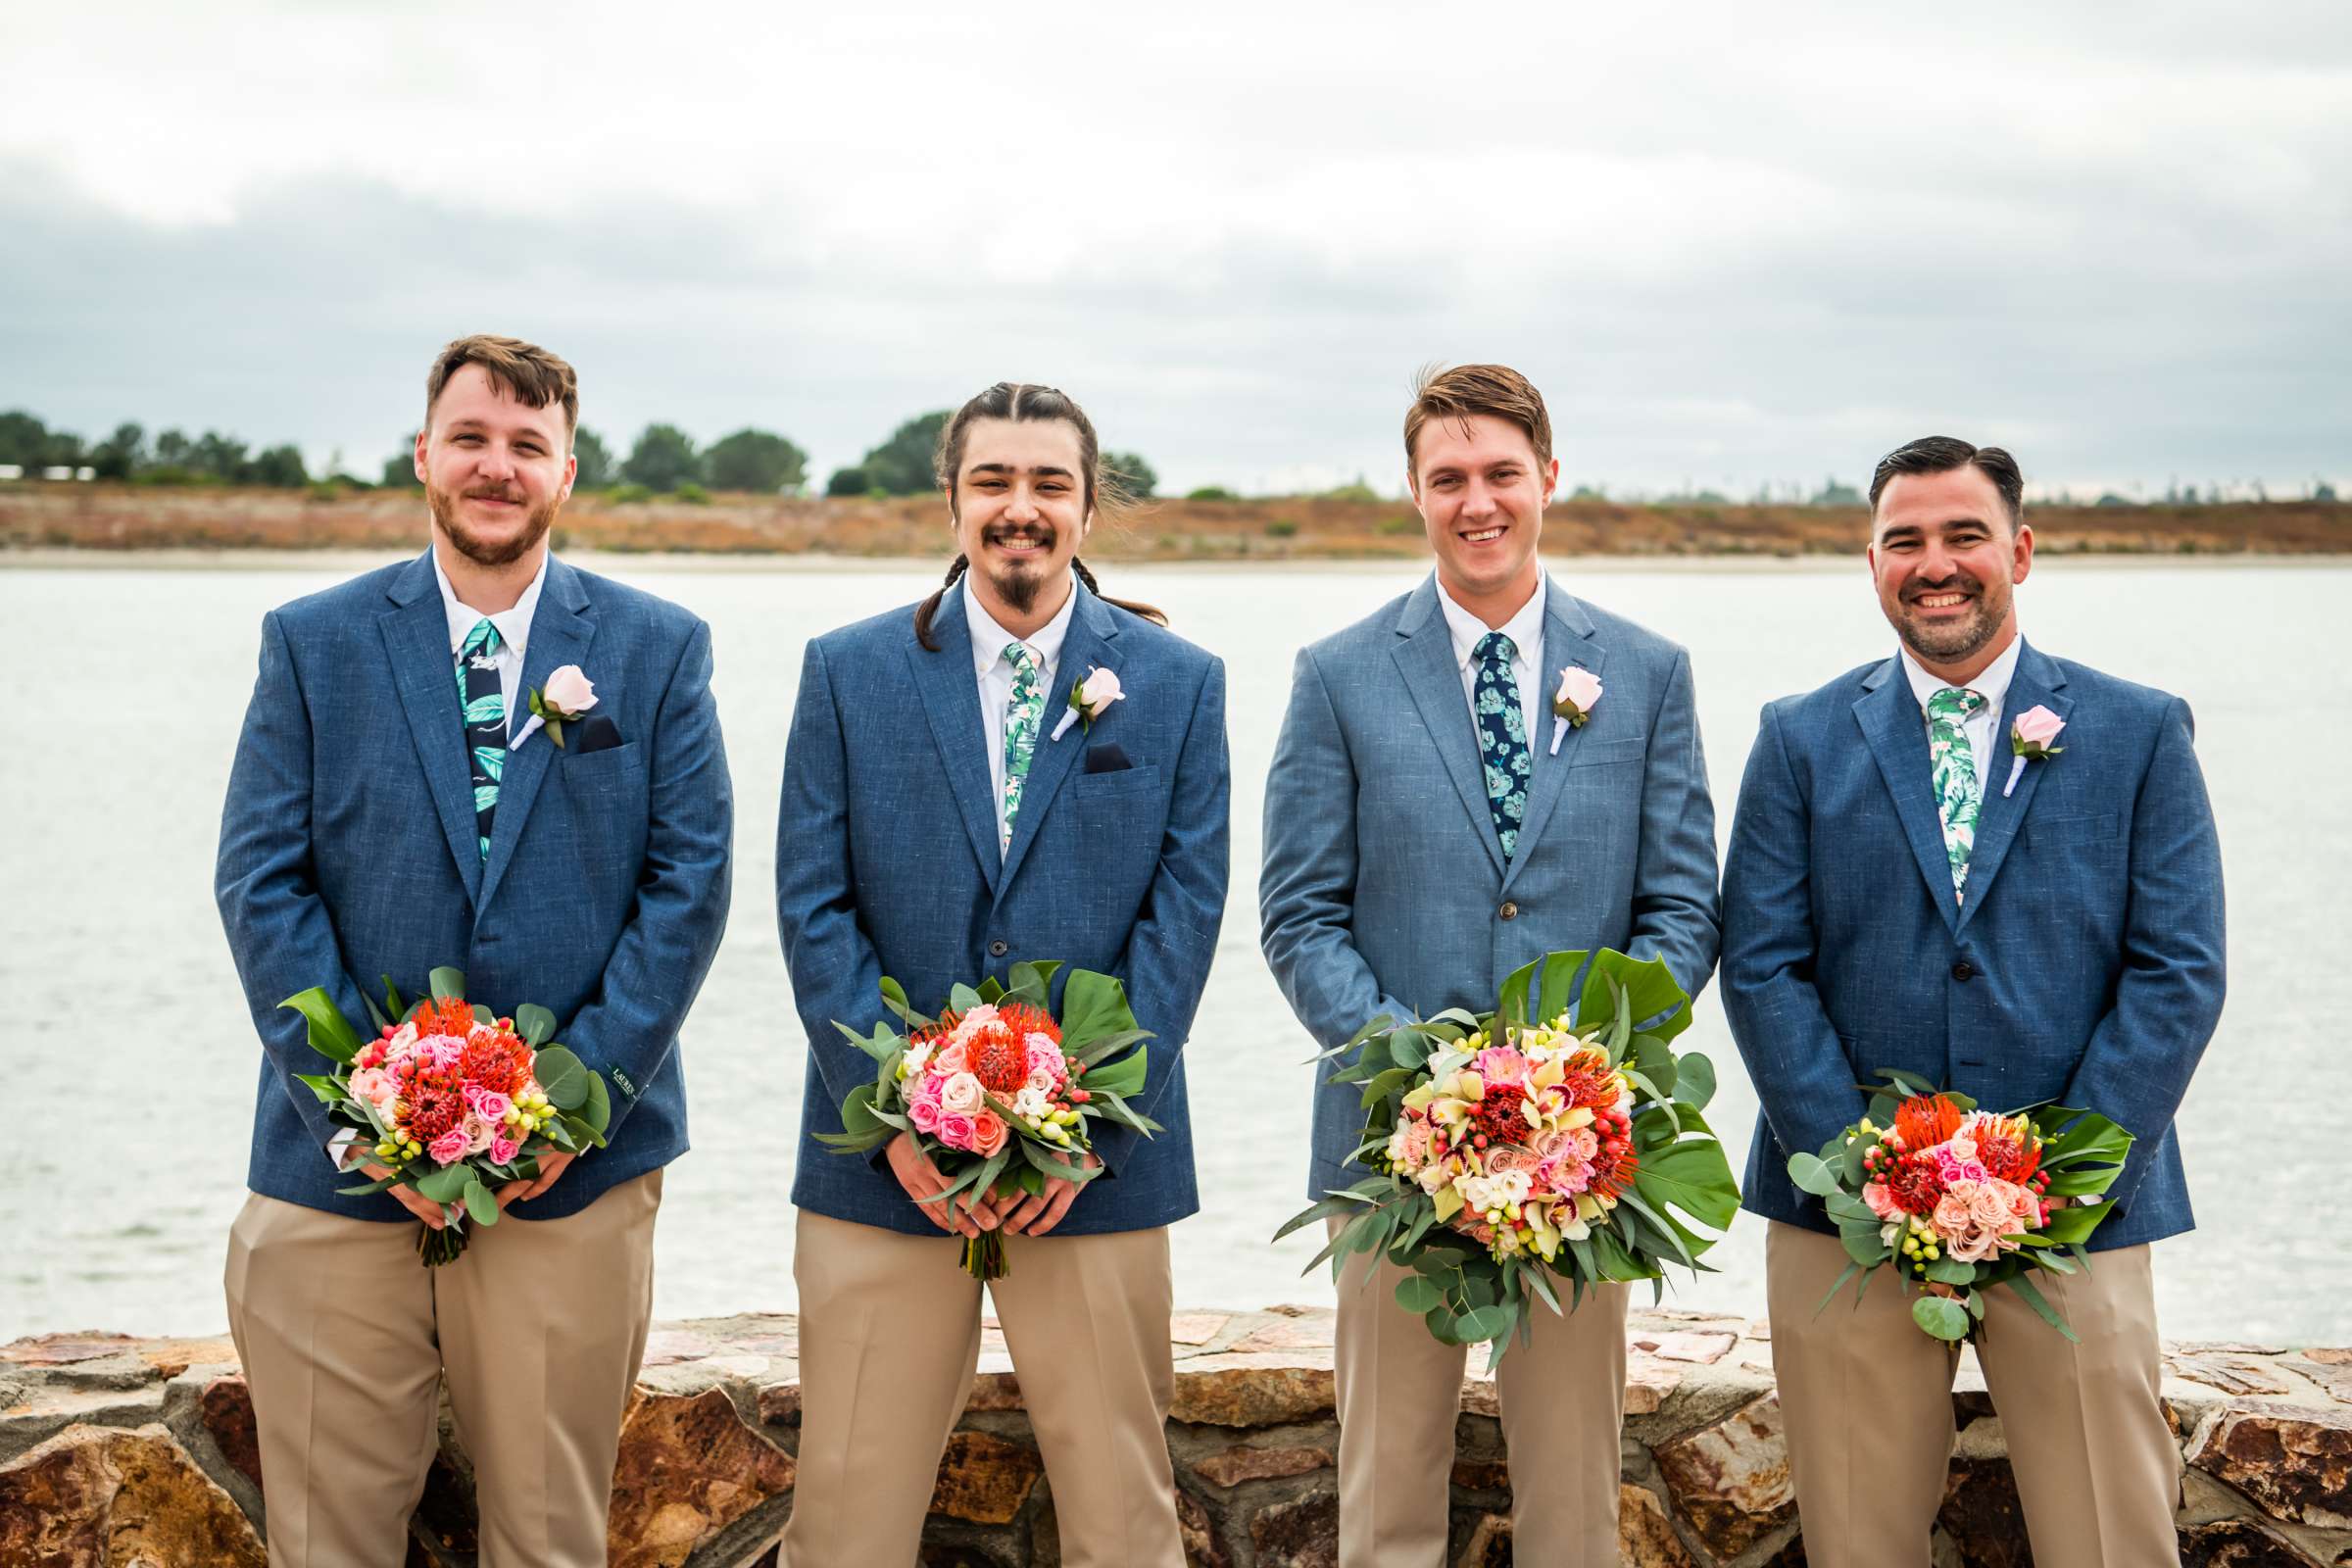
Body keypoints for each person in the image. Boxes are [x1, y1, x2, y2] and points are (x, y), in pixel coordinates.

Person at [216, 333, 733, 1568]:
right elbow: (261, 878)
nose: (495, 467)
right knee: (326, 1541)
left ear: (566, 471)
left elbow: (689, 886)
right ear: (424, 456)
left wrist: (564, 1106)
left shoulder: (659, 649)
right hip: (337, 1172)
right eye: (471, 439)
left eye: (525, 446)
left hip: (575, 1181)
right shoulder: (314, 641)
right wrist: (365, 1109)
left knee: (549, 1539)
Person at [1721, 435, 2225, 1567]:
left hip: (2077, 1215)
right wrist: (1867, 1173)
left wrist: (2062, 1168)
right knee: (1855, 1538)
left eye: (1963, 536)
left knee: (2112, 1536)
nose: (1934, 563)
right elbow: (1761, 963)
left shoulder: (2139, 729)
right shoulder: (1797, 738)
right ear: (1873, 562)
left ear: (2022, 551)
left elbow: (2179, 967)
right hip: (1844, 1217)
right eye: (1906, 540)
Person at [1259, 363, 1720, 1565]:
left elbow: (1681, 908)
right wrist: (1421, 1083)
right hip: (1384, 1153)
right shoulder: (1338, 675)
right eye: (1449, 477)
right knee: (1386, 1498)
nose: (1479, 502)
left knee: (1575, 1506)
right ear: (1413, 492)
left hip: (1583, 1163)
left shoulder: (1649, 671)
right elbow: (1301, 916)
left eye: (1501, 473)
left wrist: (1583, 1083)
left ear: (1548, 479)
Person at [775, 381, 1229, 1568]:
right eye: (993, 481)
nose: (1019, 508)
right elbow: (812, 907)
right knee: (846, 1518)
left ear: (1087, 504)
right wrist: (896, 1120)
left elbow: (1184, 917)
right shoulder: (846, 671)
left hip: (1102, 1170)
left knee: (1125, 1520)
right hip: (885, 1172)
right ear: (953, 496)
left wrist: (1085, 1128)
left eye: (1048, 484)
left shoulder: (1180, 683)